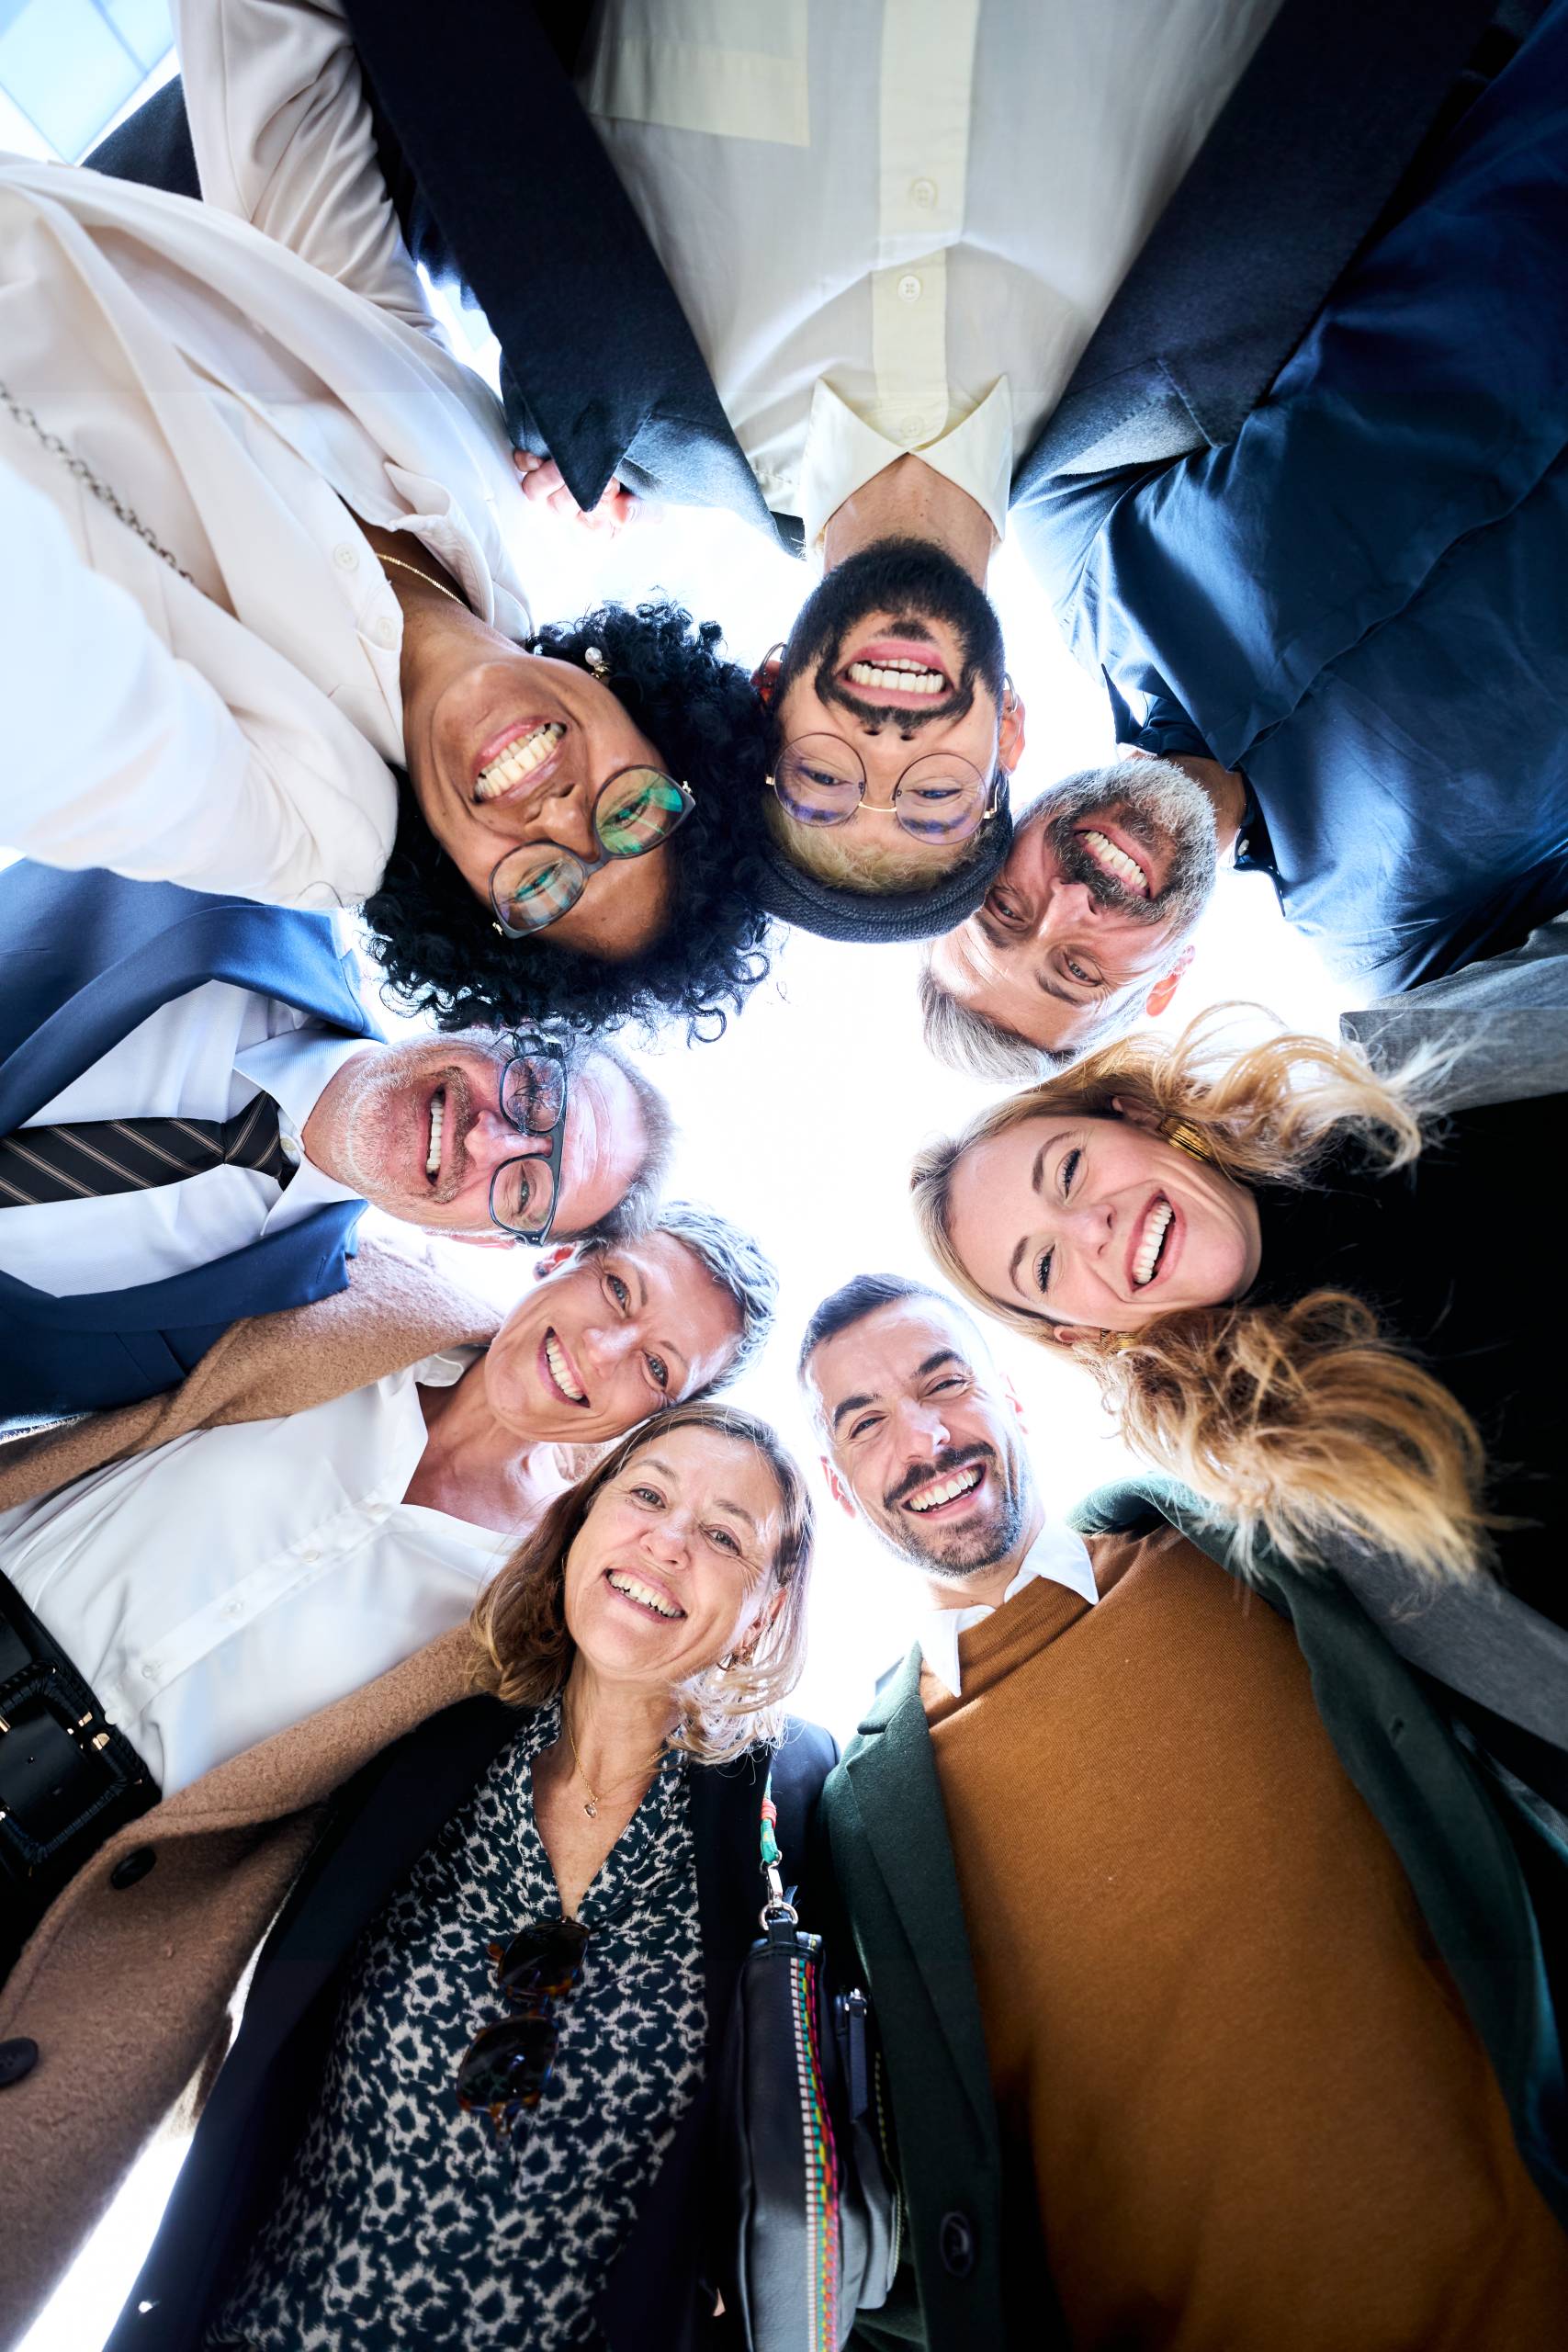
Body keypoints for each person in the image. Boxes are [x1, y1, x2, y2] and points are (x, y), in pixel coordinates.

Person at [96, 0, 1531, 949]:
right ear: (1008, 740)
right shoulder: (1220, 373)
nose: (885, 750)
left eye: (820, 781)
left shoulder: (586, 383)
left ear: (766, 688)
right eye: (927, 800)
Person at [799, 1273, 1568, 2350]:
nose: (923, 1439)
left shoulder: (1239, 1546)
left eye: (945, 1381)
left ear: (1014, 1398)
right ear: (840, 1490)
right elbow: (903, 2189)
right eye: (865, 1422)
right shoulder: (860, 1814)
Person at [0, 6, 775, 1045]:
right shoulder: (485, 496)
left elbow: (59, 704)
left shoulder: (314, 829)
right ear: (657, 729)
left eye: (543, 888)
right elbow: (287, 148)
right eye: (631, 814)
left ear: (471, 903)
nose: (558, 816)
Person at [0, 1406, 829, 2352]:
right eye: (645, 1494)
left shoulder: (785, 1805)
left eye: (723, 1535)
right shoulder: (432, 1738)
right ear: (584, 1521)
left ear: (766, 1605)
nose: (668, 1541)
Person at [929, 0, 1568, 1075]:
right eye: (1079, 968)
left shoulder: (1073, 531)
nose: (1073, 902)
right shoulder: (1405, 953)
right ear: (1165, 983)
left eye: (1008, 903)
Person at [0, 1198, 775, 1967]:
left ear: (657, 1418)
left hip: (73, 1871)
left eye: (654, 1366)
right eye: (617, 1290)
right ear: (562, 1259)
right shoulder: (346, 1293)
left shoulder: (539, 1596)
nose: (604, 1349)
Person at [910, 1000, 1568, 1658]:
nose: (1091, 1227)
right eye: (1046, 1266)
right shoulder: (1306, 1494)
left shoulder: (1409, 1064)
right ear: (1081, 1334)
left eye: (1069, 1170)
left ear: (1137, 1117)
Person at [0, 863, 669, 1418]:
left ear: (481, 1239)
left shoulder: (249, 1341)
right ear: (499, 1020)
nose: (487, 1143)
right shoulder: (251, 881)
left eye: (525, 1188)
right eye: (533, 1097)